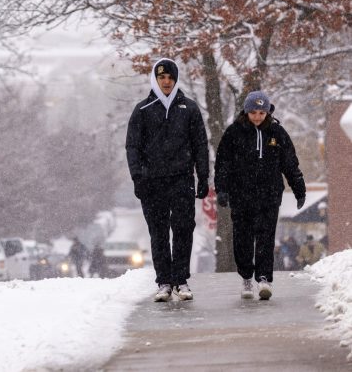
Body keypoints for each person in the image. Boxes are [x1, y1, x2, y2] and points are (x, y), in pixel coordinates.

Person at [126, 58, 209, 302]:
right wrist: (137, 177)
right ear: (155, 78)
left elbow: (200, 145)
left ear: (175, 80)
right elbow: (132, 147)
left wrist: (203, 176)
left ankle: (181, 280)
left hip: (182, 179)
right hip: (152, 182)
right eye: (162, 77)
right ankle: (164, 281)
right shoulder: (143, 110)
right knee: (158, 232)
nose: (166, 82)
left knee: (183, 229)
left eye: (170, 78)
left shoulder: (189, 109)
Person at [214, 91, 305, 301]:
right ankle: (246, 277)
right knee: (242, 238)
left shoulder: (277, 133)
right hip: (241, 195)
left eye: (261, 112)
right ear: (246, 111)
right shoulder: (234, 133)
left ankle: (264, 279)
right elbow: (223, 164)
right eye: (253, 112)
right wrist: (222, 189)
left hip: (269, 195)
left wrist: (299, 188)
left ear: (267, 112)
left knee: (265, 237)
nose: (257, 116)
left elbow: (290, 163)